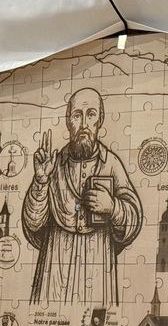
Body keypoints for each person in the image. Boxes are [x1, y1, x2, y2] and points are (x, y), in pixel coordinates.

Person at [22, 88, 142, 307]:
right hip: (55, 264)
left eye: (91, 114)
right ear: (69, 121)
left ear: (100, 119)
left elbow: (133, 217)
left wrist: (113, 207)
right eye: (77, 115)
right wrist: (40, 181)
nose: (84, 123)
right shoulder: (53, 164)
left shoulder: (111, 163)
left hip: (97, 262)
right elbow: (33, 222)